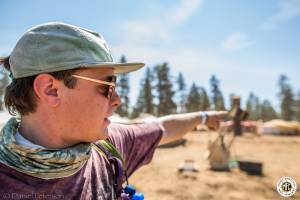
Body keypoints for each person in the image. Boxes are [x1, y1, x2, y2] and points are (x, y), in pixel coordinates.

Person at [0, 22, 227, 200]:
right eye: (106, 87)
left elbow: (163, 128)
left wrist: (205, 117)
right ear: (51, 89)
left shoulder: (107, 147)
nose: (117, 100)